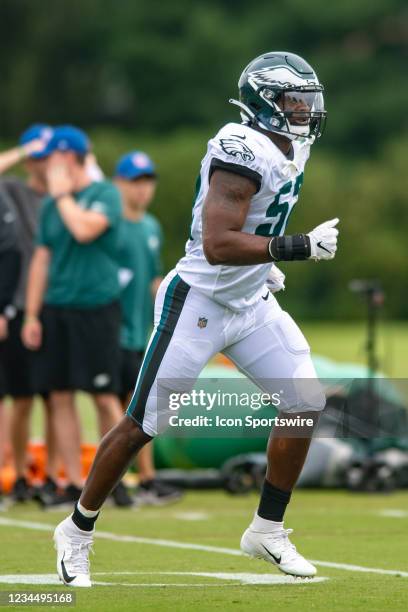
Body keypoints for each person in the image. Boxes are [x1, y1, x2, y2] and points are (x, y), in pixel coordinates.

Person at [54, 52, 339, 587]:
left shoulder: (289, 145)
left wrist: (268, 267)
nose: (306, 109)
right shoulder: (241, 148)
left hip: (251, 303)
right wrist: (295, 247)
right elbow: (216, 243)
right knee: (144, 423)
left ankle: (267, 530)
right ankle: (77, 529)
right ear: (265, 103)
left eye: (308, 98)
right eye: (295, 100)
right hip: (200, 302)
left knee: (305, 400)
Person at [22, 125, 124, 507]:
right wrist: (32, 315)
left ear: (68, 157)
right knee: (60, 396)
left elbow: (84, 230)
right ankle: (74, 483)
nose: (45, 164)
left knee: (102, 395)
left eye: (50, 156)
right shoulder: (51, 205)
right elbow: (42, 259)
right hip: (56, 309)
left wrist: (63, 194)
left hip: (96, 309)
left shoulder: (104, 194)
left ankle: (116, 482)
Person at [114, 151, 182, 506]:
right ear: (119, 184)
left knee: (140, 405)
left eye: (147, 181)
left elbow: (155, 278)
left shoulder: (151, 226)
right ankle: (115, 480)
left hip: (143, 331)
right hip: (111, 329)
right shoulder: (110, 225)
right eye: (134, 181)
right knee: (111, 405)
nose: (142, 189)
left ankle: (147, 478)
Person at [0, 124, 59, 504]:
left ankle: (53, 477)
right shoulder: (15, 191)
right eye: (39, 155)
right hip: (22, 305)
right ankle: (19, 474)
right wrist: (23, 151)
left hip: (58, 306)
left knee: (58, 397)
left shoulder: (68, 198)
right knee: (21, 398)